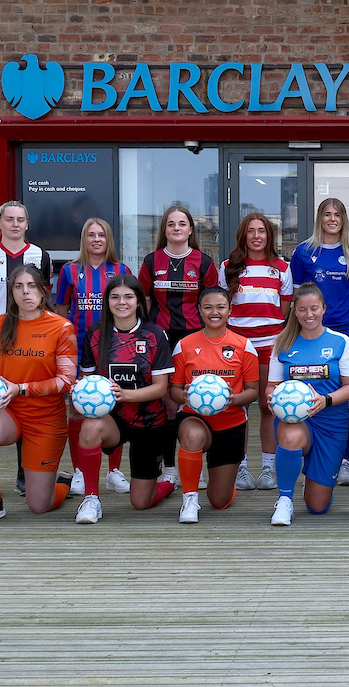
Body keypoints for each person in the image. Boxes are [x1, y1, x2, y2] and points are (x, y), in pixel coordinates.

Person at [0, 265, 78, 525]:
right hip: (9, 411)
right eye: (19, 286)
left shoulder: (61, 327)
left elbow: (66, 380)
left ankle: (62, 484)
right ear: (11, 292)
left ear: (43, 290)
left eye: (32, 286)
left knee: (39, 505)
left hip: (46, 418)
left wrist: (22, 388)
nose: (26, 292)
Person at [72, 274, 177, 524]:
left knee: (141, 503)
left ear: (139, 301)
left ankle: (168, 484)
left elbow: (161, 388)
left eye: (128, 297)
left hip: (149, 421)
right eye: (115, 297)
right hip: (113, 419)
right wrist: (79, 389)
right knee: (89, 427)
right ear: (107, 301)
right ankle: (91, 499)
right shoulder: (96, 334)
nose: (122, 302)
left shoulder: (154, 335)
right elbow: (87, 378)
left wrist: (125, 394)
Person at [0, 200, 52, 495]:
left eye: (20, 219)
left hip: (31, 338)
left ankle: (23, 473)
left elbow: (45, 296)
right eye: (9, 219)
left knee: (24, 402)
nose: (15, 224)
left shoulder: (40, 256)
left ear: (27, 224)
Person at [137, 205, 220, 486]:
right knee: (167, 403)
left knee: (197, 398)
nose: (176, 228)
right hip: (161, 340)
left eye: (182, 223)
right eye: (171, 224)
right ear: (165, 230)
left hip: (194, 339)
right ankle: (170, 465)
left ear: (190, 230)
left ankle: (200, 464)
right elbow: (143, 302)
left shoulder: (204, 262)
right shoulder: (151, 261)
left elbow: (211, 304)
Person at [265, 283, 349, 526]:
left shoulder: (341, 342)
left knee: (317, 506)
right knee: (290, 432)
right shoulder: (283, 343)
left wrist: (325, 400)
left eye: (314, 308)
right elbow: (271, 386)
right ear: (294, 311)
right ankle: (285, 500)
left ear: (324, 309)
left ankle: (313, 474)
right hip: (297, 418)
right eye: (302, 309)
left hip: (332, 422)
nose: (309, 314)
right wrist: (271, 398)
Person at [289, 198, 349, 487]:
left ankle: (343, 460)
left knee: (345, 395)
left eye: (337, 215)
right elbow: (298, 295)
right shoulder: (303, 252)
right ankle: (311, 453)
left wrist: (338, 314)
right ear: (319, 218)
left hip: (345, 330)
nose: (332, 219)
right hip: (309, 331)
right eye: (327, 214)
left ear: (343, 219)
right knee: (311, 387)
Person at [168, 287, 260, 524]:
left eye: (220, 306)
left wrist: (233, 399)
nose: (214, 312)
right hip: (194, 417)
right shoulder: (185, 345)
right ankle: (189, 498)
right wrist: (185, 396)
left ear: (230, 310)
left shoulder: (244, 346)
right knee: (192, 433)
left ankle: (223, 483)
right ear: (199, 310)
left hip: (230, 423)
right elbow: (174, 390)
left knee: (219, 501)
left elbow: (253, 391)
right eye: (208, 307)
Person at [55, 217, 132, 496]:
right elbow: (61, 312)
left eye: (102, 235)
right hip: (78, 350)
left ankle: (113, 471)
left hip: (114, 348)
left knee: (114, 405)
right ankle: (79, 472)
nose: (97, 239)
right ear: (84, 239)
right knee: (78, 409)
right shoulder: (69, 271)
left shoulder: (120, 270)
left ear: (108, 239)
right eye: (91, 235)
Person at [220, 212, 293, 491]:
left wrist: (268, 332)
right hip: (237, 346)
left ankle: (266, 467)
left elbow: (283, 310)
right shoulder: (229, 266)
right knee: (238, 405)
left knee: (267, 405)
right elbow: (224, 305)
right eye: (251, 231)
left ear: (269, 235)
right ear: (243, 235)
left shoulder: (282, 269)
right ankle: (240, 467)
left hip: (270, 345)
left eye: (262, 231)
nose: (257, 236)